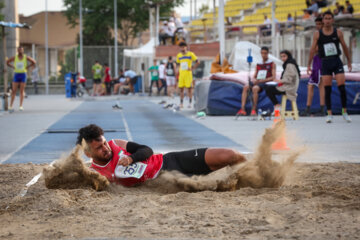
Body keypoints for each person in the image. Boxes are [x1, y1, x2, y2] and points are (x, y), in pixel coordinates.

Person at [77, 124, 246, 187]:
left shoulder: (116, 144)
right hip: (165, 182)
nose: (106, 148)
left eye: (104, 143)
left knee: (230, 155)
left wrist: (131, 158)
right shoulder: (95, 172)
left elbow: (146, 149)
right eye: (99, 148)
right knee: (210, 176)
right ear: (88, 153)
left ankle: (254, 176)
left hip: (170, 161)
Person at [307, 11, 352, 123]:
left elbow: (345, 47)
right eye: (325, 18)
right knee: (327, 89)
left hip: (337, 61)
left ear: (332, 20)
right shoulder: (318, 34)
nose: (327, 21)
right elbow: (312, 49)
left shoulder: (338, 32)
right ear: (323, 20)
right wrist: (309, 64)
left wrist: (349, 61)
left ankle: (345, 112)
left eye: (329, 18)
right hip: (325, 62)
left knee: (342, 88)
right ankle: (329, 113)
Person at [237, 46, 276, 116]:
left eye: (265, 53)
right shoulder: (258, 64)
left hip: (265, 82)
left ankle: (253, 109)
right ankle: (242, 109)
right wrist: (255, 80)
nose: (263, 55)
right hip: (258, 81)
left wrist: (263, 80)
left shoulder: (272, 64)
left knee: (255, 89)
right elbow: (255, 75)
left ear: (268, 54)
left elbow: (273, 77)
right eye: (262, 53)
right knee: (245, 87)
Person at [303, 17, 326, 116]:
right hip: (316, 60)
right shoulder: (317, 34)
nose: (318, 26)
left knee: (317, 85)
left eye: (319, 24)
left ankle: (319, 109)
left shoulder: (323, 35)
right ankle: (315, 108)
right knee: (313, 85)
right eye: (316, 24)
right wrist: (309, 64)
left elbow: (315, 49)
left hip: (321, 60)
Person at [6, 46, 36, 112]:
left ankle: (21, 106)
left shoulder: (25, 57)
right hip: (16, 74)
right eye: (19, 50)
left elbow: (34, 62)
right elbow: (7, 62)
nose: (20, 51)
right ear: (17, 51)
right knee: (14, 90)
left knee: (22, 91)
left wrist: (27, 67)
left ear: (23, 51)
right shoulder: (15, 57)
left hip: (23, 75)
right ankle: (10, 106)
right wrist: (13, 66)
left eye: (21, 50)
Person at [176, 42, 199, 108]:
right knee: (181, 89)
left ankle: (190, 103)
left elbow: (198, 62)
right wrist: (176, 72)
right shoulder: (179, 55)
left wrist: (192, 68)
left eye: (183, 47)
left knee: (189, 89)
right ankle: (181, 103)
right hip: (181, 74)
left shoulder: (191, 54)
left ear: (186, 47)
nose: (182, 48)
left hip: (188, 74)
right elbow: (178, 64)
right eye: (181, 47)